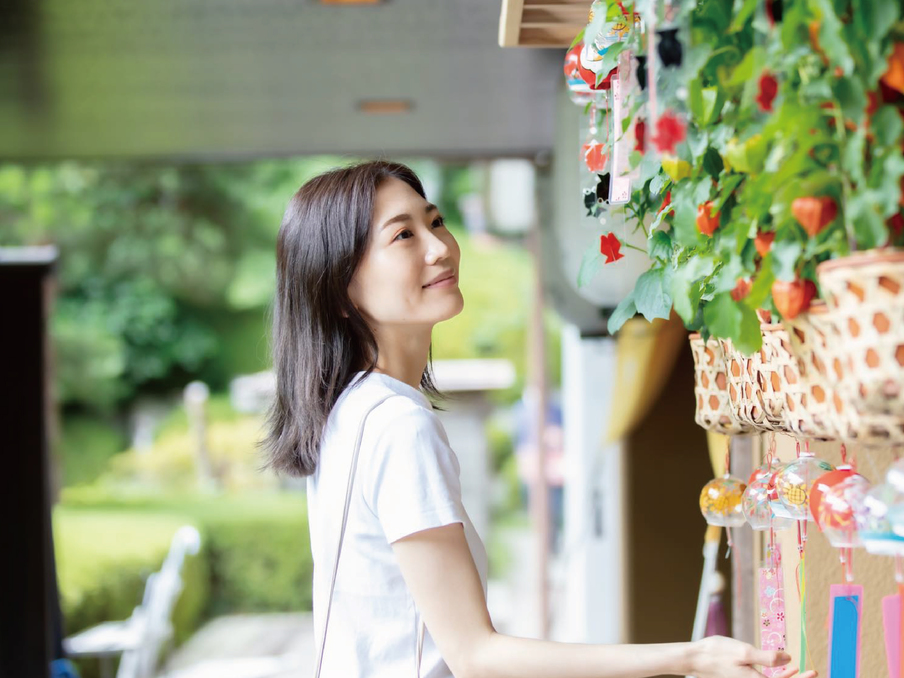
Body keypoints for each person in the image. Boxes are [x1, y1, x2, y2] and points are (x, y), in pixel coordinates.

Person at [263, 160, 811, 678]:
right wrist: (691, 656)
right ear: (339, 289)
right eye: (403, 235)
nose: (439, 248)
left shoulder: (352, 412)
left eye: (436, 221)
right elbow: (475, 654)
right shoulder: (395, 424)